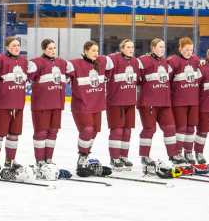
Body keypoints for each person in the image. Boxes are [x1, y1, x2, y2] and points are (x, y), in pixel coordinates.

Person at [65, 40, 112, 170]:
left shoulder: (101, 62)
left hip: (97, 105)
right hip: (82, 105)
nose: (95, 53)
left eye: (97, 50)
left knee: (94, 131)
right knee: (87, 130)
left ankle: (85, 155)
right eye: (93, 50)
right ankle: (82, 155)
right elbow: (65, 77)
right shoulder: (75, 64)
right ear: (86, 51)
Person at [138, 39, 183, 167]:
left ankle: (173, 155)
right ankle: (145, 156)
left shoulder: (165, 62)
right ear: (153, 48)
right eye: (160, 47)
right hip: (148, 103)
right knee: (149, 129)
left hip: (164, 102)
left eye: (164, 47)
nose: (163, 49)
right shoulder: (143, 60)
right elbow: (136, 78)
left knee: (170, 128)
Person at [0, 36, 29, 173]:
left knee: (14, 134)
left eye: (18, 45)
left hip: (18, 103)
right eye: (13, 45)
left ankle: (10, 159)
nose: (17, 48)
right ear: (7, 47)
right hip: (1, 103)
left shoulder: (24, 61)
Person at [26, 39, 68, 168]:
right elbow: (26, 78)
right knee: (41, 132)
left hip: (57, 104)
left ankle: (48, 159)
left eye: (54, 48)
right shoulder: (36, 62)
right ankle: (40, 160)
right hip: (42, 104)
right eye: (50, 48)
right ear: (43, 50)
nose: (53, 50)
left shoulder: (61, 63)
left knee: (53, 131)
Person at [105, 39, 141, 171]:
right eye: (128, 47)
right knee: (117, 131)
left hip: (130, 101)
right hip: (116, 102)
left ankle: (123, 156)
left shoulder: (136, 62)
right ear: (121, 48)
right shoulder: (113, 59)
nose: (131, 49)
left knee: (127, 131)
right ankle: (114, 157)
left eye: (132, 47)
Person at [167, 37, 202, 164]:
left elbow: (199, 78)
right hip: (178, 101)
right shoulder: (173, 61)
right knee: (181, 128)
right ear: (180, 48)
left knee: (191, 128)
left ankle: (188, 152)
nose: (189, 52)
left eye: (191, 50)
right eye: (186, 50)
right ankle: (178, 153)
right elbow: (167, 81)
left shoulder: (195, 60)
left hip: (193, 100)